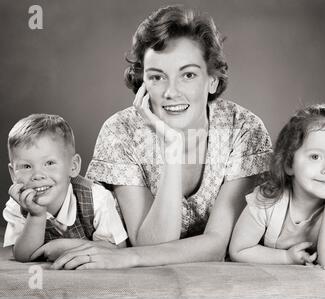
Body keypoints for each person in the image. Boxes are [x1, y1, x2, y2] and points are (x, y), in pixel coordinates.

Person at [50, 5, 272, 269]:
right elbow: (152, 245)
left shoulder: (243, 129)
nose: (171, 92)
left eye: (188, 75)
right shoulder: (121, 132)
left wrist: (125, 258)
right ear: (142, 83)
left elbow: (217, 245)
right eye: (157, 77)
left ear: (211, 80)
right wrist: (173, 150)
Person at [229, 102, 325, 267]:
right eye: (315, 157)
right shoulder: (267, 200)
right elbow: (239, 250)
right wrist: (286, 257)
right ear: (289, 163)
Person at [3, 114, 128, 262]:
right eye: (26, 166)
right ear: (13, 174)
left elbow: (118, 249)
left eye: (49, 163)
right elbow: (22, 256)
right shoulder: (17, 205)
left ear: (73, 166)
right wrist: (36, 216)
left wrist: (67, 246)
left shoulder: (97, 198)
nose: (37, 175)